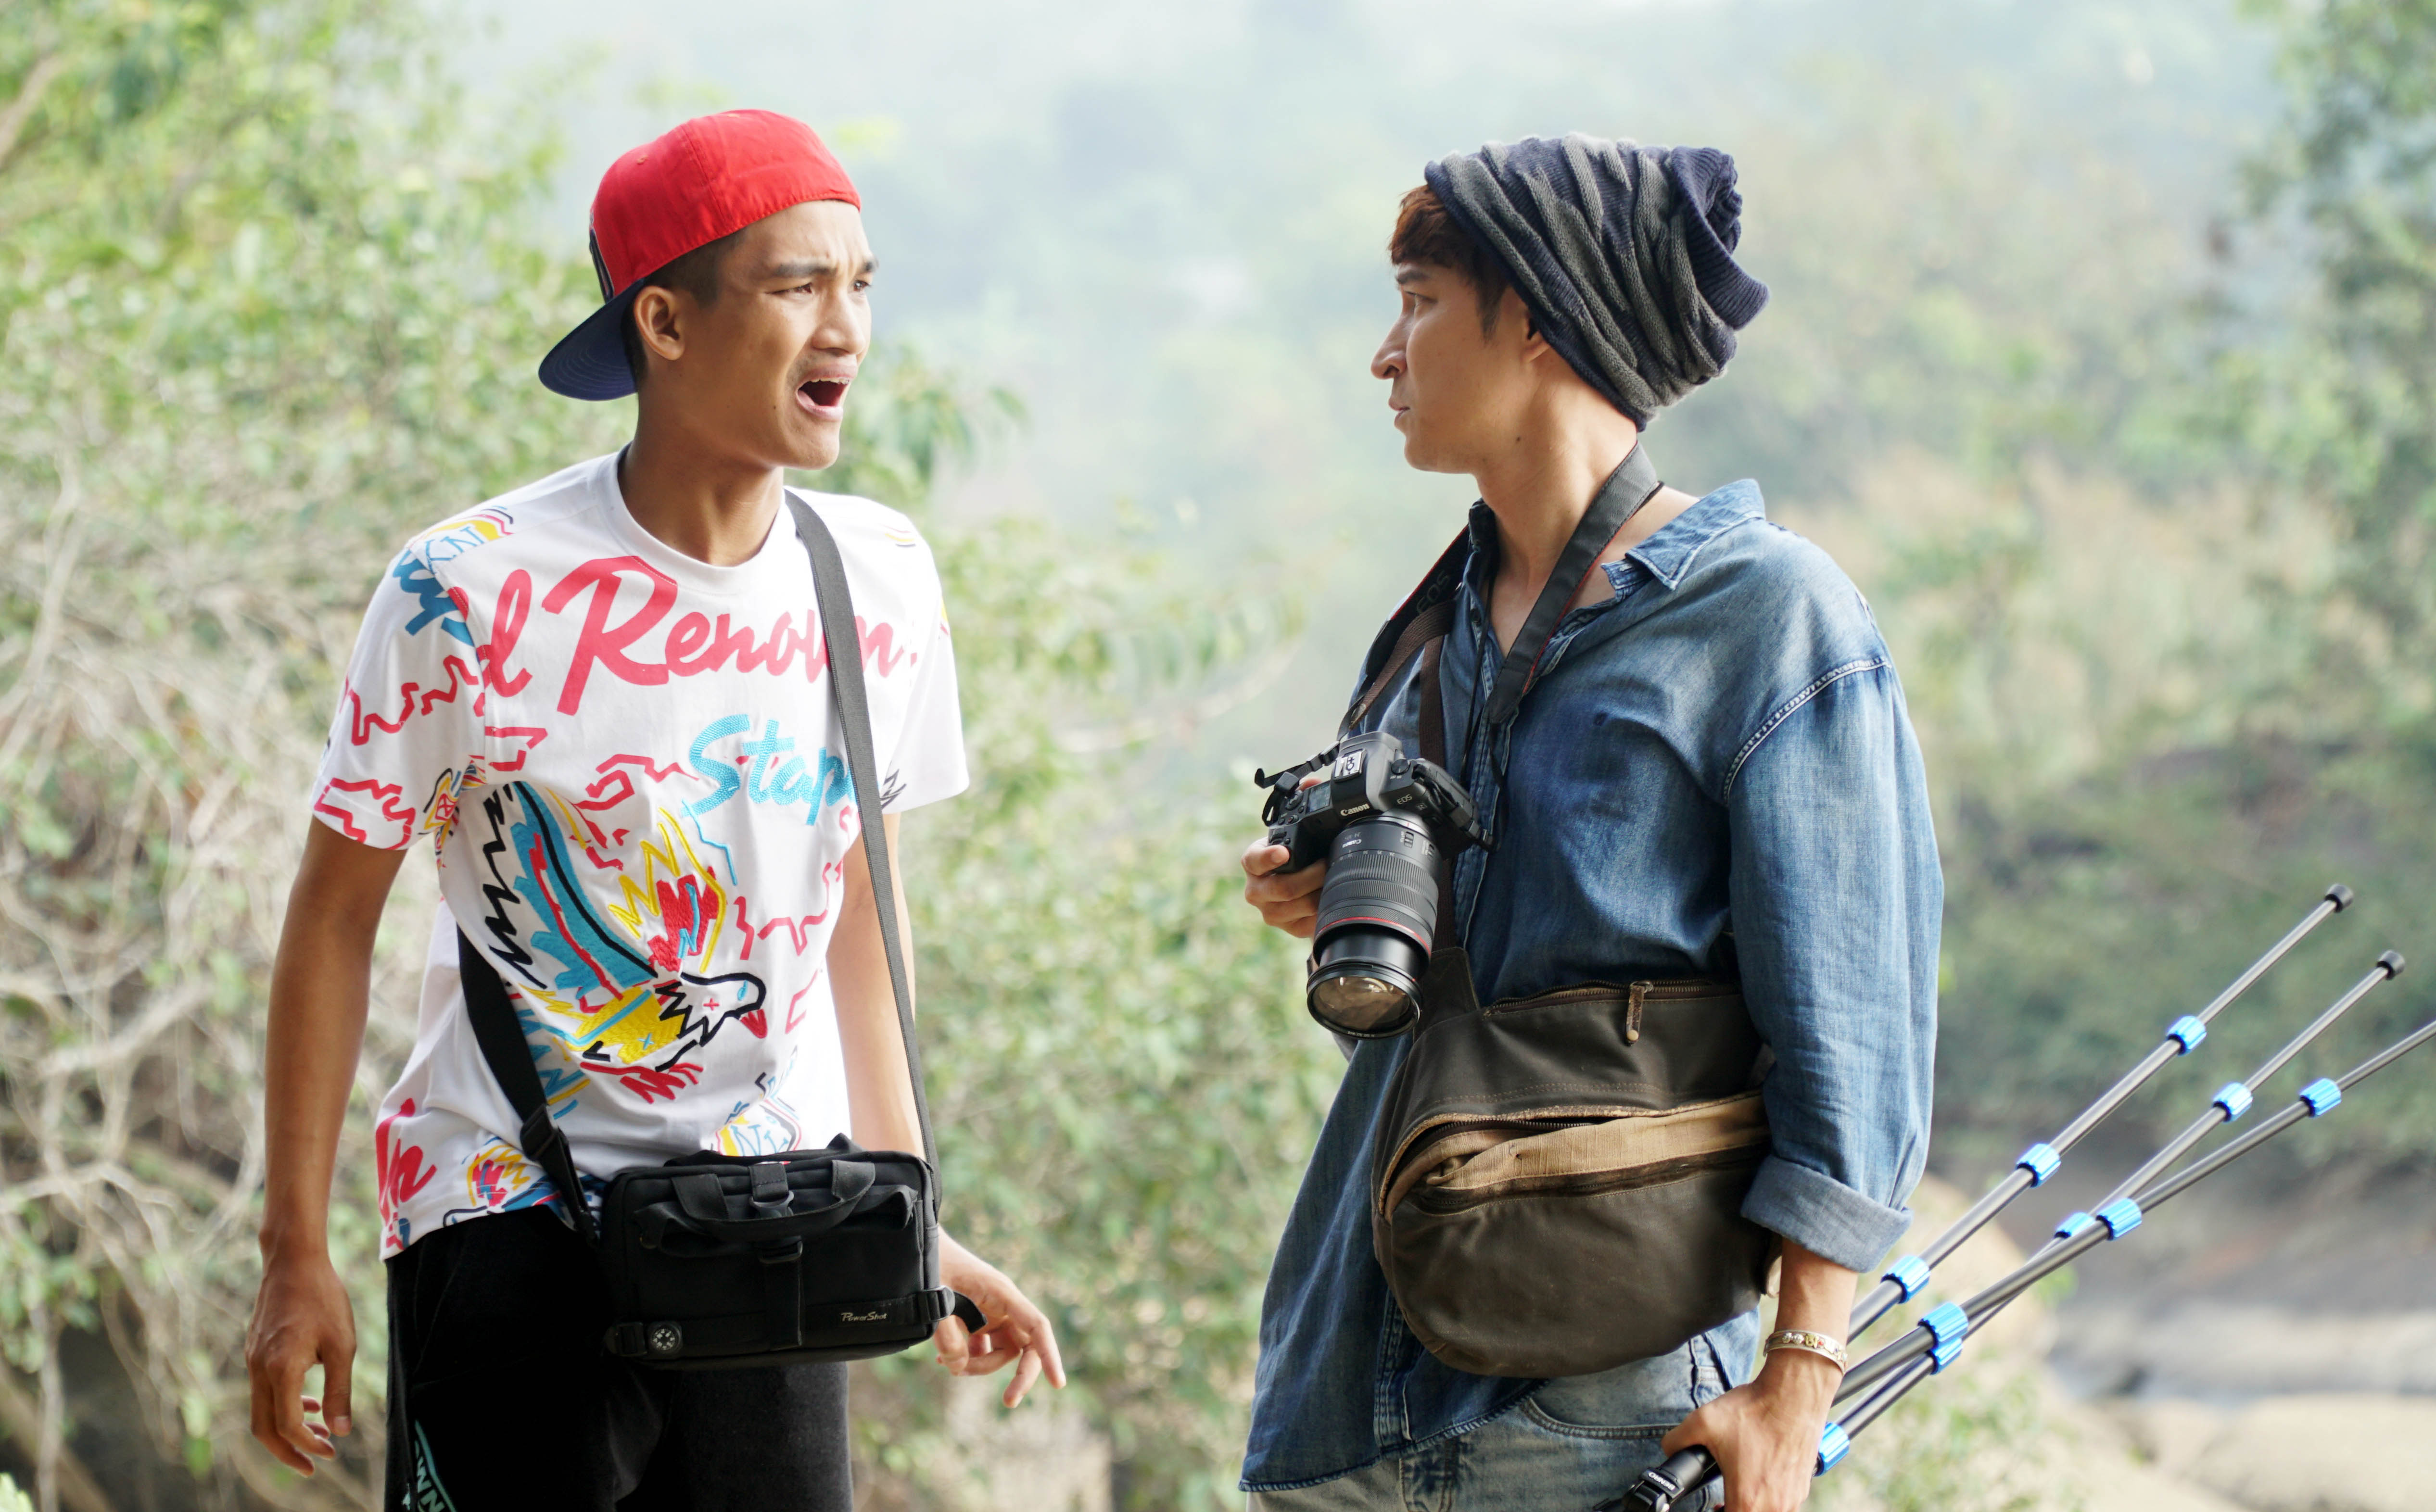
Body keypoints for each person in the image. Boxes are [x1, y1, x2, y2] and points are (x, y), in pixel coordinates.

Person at [243, 109, 1063, 1510]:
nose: (848, 329)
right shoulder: (469, 589)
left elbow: (861, 914)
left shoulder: (878, 576)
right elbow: (332, 920)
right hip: (508, 1208)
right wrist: (293, 1255)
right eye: (799, 285)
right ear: (666, 323)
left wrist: (911, 1216)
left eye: (862, 285)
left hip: (776, 1218)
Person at [1238, 136, 1940, 1512]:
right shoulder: (1430, 636)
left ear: (1538, 320)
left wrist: (1797, 1384)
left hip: (1607, 1415)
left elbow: (1855, 1031)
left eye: (1420, 302)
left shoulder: (1766, 619)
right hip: (1342, 1396)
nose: (1386, 355)